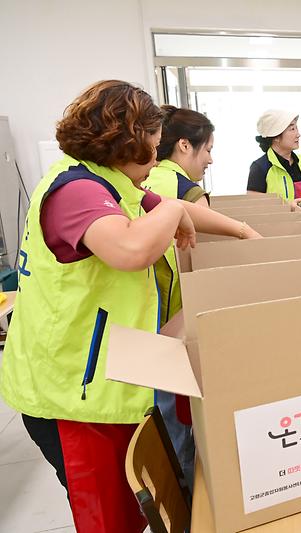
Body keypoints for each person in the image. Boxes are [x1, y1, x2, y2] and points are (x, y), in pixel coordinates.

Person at [0, 80, 261, 532]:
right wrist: (172, 212)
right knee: (107, 519)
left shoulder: (113, 182)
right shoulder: (75, 191)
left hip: (105, 377)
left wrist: (243, 232)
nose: (156, 163)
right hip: (70, 392)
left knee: (127, 509)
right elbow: (129, 249)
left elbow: (174, 206)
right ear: (127, 141)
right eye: (153, 150)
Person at [141, 105, 217, 490]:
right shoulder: (186, 190)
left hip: (144, 322)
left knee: (161, 418)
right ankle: (190, 499)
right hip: (170, 324)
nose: (210, 159)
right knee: (177, 424)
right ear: (184, 145)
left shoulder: (147, 179)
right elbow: (200, 262)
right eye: (206, 150)